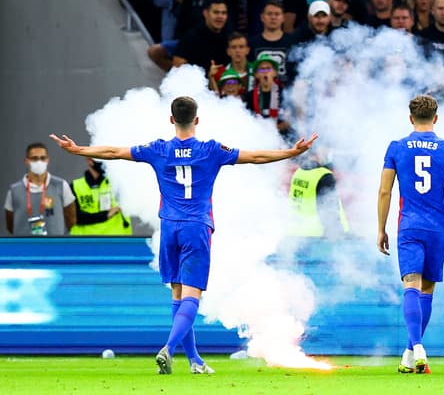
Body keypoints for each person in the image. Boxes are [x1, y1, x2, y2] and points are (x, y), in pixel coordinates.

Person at [50, 96, 318, 375]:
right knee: (192, 296)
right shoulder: (212, 150)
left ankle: (195, 361)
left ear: (171, 119)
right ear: (197, 120)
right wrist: (291, 153)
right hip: (196, 228)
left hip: (169, 228)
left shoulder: (158, 149)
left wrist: (78, 149)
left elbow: (115, 152)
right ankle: (167, 348)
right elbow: (256, 157)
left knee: (178, 295)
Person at [377, 95, 444, 374]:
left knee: (411, 285)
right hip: (439, 226)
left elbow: (384, 191)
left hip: (410, 225)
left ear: (410, 118)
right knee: (426, 290)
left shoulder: (397, 147)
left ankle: (416, 348)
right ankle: (410, 354)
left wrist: (380, 228)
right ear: (436, 118)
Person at [4, 142, 76, 236]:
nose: (39, 161)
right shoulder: (14, 190)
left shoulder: (61, 185)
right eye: (34, 158)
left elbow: (71, 219)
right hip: (25, 247)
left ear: (47, 160)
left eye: (43, 158)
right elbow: (10, 223)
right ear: (26, 161)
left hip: (54, 246)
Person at [288, 149, 350, 238]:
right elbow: (329, 210)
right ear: (319, 149)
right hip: (319, 235)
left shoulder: (299, 171)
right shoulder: (324, 175)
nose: (329, 153)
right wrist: (339, 234)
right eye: (327, 149)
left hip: (298, 232)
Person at [70, 157, 132, 235]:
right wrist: (105, 215)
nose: (105, 163)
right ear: (89, 160)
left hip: (116, 239)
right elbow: (75, 217)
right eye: (100, 159)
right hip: (87, 241)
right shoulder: (76, 186)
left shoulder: (118, 183)